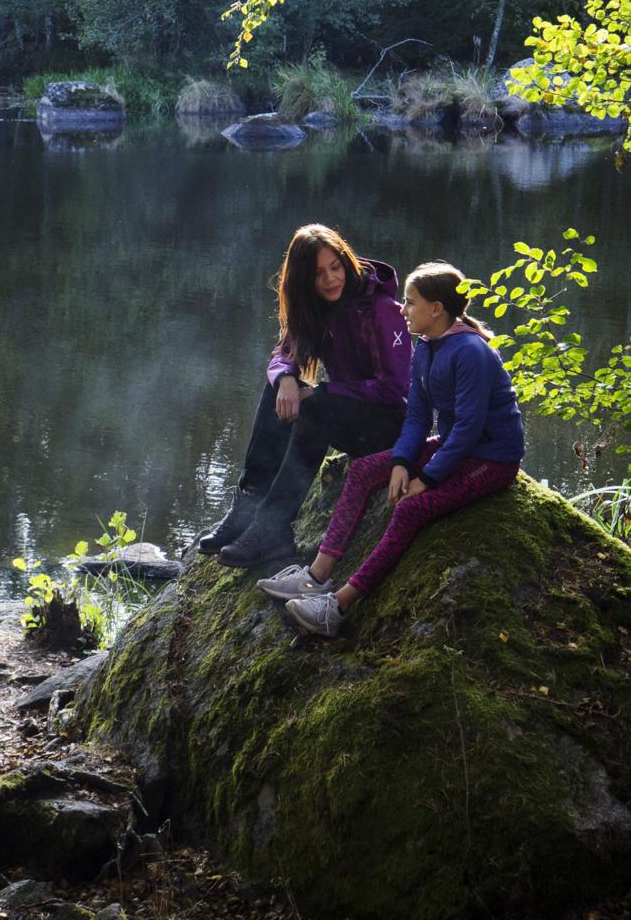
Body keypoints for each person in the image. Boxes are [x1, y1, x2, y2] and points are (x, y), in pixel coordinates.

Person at [258, 260, 524, 635]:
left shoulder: (470, 353)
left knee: (410, 508)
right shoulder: (427, 347)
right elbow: (417, 415)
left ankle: (337, 607)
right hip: (456, 446)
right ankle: (316, 576)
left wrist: (428, 479)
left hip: (491, 458)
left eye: (411, 302)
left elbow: (468, 428)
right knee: (365, 469)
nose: (402, 309)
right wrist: (401, 461)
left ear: (436, 309)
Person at [199, 223, 413, 569]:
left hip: (390, 425)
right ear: (302, 281)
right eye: (318, 274)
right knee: (279, 391)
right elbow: (284, 354)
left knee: (316, 406)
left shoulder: (382, 309)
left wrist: (326, 390)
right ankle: (248, 506)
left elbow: (395, 389)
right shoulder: (314, 308)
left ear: (346, 262)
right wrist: (285, 378)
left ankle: (273, 529)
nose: (330, 279)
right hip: (349, 415)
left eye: (335, 267)